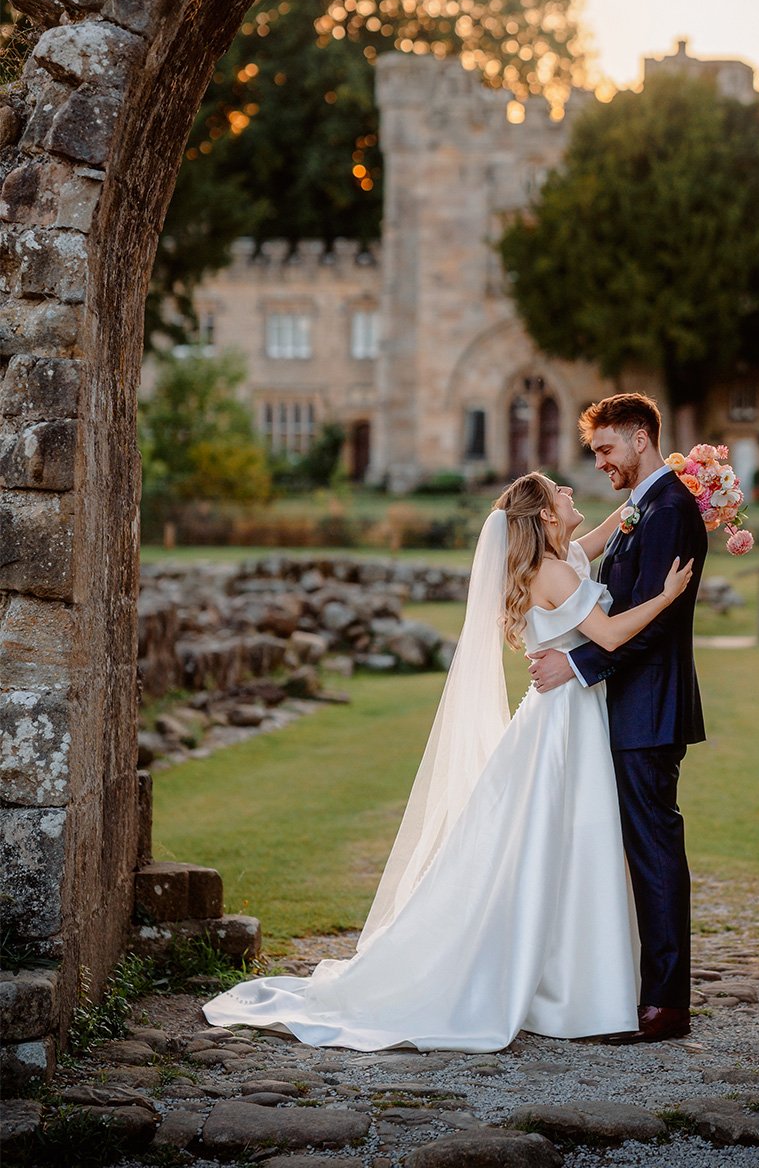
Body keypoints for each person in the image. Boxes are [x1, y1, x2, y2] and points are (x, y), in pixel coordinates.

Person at [202, 472, 692, 1052]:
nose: (571, 494)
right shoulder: (556, 573)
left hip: (563, 714)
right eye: (561, 492)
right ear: (544, 518)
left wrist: (646, 498)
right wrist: (667, 596)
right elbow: (607, 636)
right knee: (562, 841)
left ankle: (565, 980)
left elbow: (599, 540)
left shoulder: (558, 562)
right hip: (564, 723)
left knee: (557, 846)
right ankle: (565, 986)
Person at [529, 393, 707, 1044]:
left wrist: (577, 668)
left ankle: (664, 1004)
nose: (601, 463)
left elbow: (653, 629)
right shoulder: (647, 506)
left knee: (655, 855)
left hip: (648, 710)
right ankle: (619, 986)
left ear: (639, 437)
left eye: (606, 449)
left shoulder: (669, 510)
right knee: (631, 853)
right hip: (627, 707)